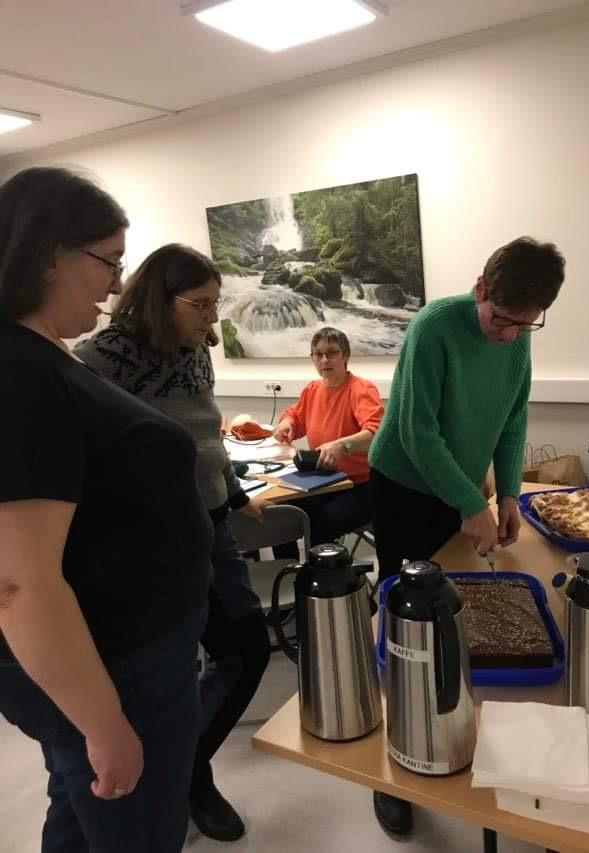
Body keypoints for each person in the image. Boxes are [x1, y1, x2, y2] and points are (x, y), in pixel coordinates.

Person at [0, 169, 214, 853]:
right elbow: (20, 583)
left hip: (126, 654)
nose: (119, 285)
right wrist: (103, 724)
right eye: (110, 262)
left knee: (78, 820)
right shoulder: (19, 375)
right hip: (120, 670)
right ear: (49, 256)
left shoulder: (41, 357)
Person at [368, 235, 566, 835]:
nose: (510, 335)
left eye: (526, 325)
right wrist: (469, 503)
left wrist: (507, 495)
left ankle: (451, 726)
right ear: (480, 289)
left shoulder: (516, 334)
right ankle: (393, 768)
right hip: (404, 486)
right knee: (406, 627)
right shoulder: (434, 327)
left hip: (459, 485)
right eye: (502, 320)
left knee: (455, 614)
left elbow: (513, 418)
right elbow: (417, 432)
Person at [75, 243, 270, 842]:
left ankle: (183, 772)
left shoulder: (195, 351)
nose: (212, 320)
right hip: (152, 542)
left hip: (211, 523)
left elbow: (207, 434)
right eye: (201, 305)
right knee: (170, 677)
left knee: (246, 652)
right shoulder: (99, 360)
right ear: (161, 298)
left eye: (216, 304)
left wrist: (235, 493)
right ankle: (185, 782)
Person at [273, 327, 384, 554]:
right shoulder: (313, 389)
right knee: (280, 515)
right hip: (326, 480)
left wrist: (342, 445)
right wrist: (287, 423)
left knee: (320, 525)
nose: (325, 360)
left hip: (362, 484)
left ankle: (324, 574)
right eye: (319, 354)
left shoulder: (361, 389)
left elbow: (377, 433)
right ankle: (289, 571)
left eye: (332, 352)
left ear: (346, 356)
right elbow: (295, 416)